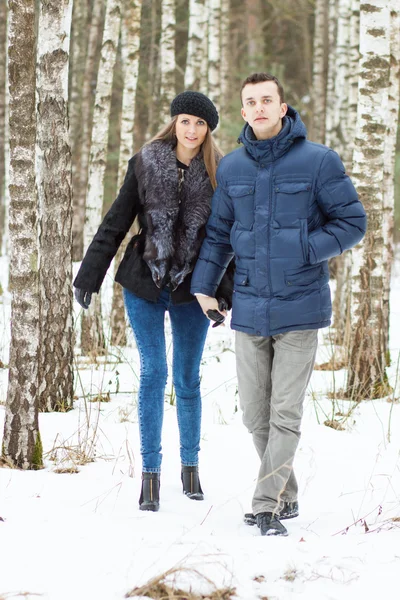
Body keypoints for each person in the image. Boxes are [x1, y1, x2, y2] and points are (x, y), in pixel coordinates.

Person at [191, 73, 367, 536]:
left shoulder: (318, 162)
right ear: (243, 112)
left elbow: (352, 221)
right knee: (254, 414)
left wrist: (307, 249)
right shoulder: (231, 169)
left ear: (283, 107)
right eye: (251, 101)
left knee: (284, 412)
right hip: (249, 307)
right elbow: (217, 235)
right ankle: (286, 494)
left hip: (300, 306)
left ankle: (265, 506)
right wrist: (204, 286)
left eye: (268, 99)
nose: (260, 107)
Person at [74, 91, 233, 512]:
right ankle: (149, 474)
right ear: (174, 122)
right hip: (144, 282)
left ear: (208, 130)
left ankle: (191, 467)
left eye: (201, 124)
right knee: (153, 372)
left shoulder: (221, 173)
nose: (193, 130)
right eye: (186, 121)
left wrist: (223, 293)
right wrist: (90, 274)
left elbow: (227, 240)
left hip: (192, 289)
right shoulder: (146, 162)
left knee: (187, 378)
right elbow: (116, 220)